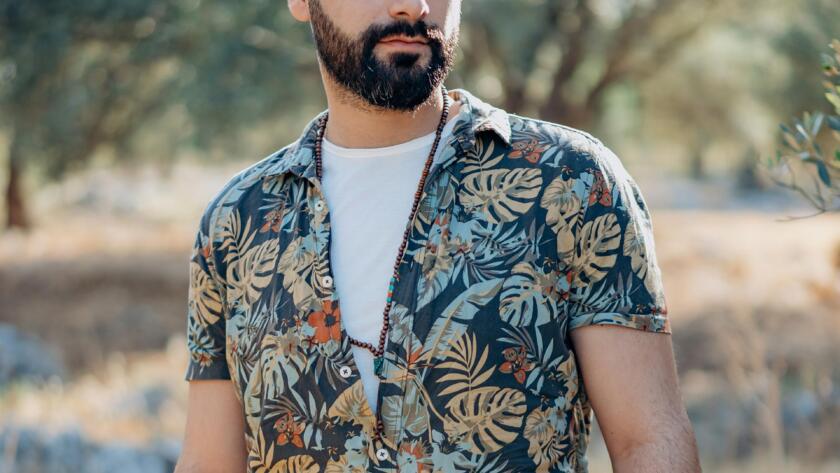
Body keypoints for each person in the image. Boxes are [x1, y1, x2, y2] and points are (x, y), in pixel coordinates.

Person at [175, 1, 701, 472]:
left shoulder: (570, 182)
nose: (413, 6)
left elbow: (647, 440)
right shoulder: (237, 221)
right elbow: (208, 461)